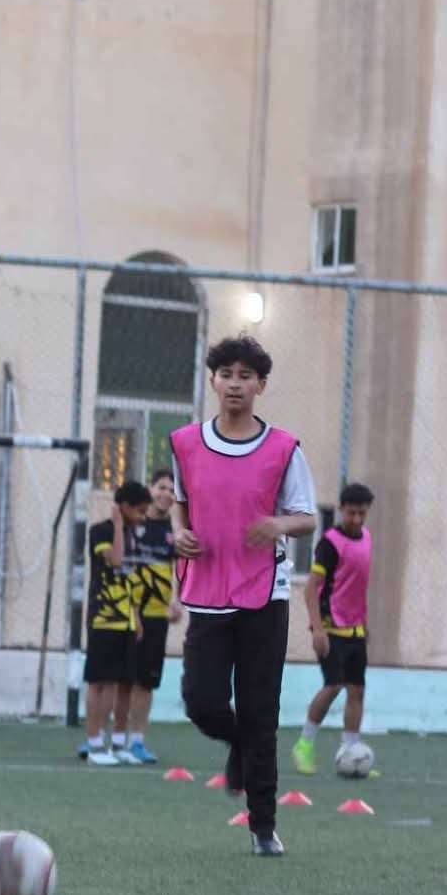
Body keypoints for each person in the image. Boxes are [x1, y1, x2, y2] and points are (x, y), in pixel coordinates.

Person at [171, 335, 316, 856]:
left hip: (264, 595)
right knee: (201, 701)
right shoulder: (186, 443)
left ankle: (263, 827)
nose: (235, 384)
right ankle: (236, 740)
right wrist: (178, 532)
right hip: (207, 590)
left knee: (260, 712)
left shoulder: (283, 449)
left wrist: (277, 523)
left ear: (261, 385)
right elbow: (181, 501)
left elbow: (305, 517)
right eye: (226, 374)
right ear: (212, 381)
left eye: (245, 376)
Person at [293, 483, 375, 774]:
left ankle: (350, 749)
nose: (356, 519)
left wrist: (364, 625)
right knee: (333, 685)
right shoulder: (329, 544)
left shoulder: (367, 538)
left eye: (361, 513)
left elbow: (357, 587)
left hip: (355, 630)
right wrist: (317, 629)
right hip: (330, 628)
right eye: (351, 513)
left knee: (357, 690)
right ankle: (304, 745)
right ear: (341, 510)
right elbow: (311, 589)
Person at [111, 468, 182, 763]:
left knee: (146, 681)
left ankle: (137, 741)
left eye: (172, 490)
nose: (166, 494)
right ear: (151, 490)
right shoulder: (133, 524)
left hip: (156, 616)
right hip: (128, 614)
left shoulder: (174, 531)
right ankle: (114, 740)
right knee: (123, 679)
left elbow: (180, 569)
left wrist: (177, 601)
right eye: (161, 487)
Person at [79, 480, 152, 765]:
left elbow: (130, 578)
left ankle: (119, 744)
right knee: (101, 682)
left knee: (124, 683)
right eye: (140, 511)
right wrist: (119, 525)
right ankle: (95, 744)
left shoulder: (133, 535)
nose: (143, 517)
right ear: (123, 507)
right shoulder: (101, 531)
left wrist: (136, 616)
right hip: (104, 618)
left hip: (126, 621)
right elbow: (117, 561)